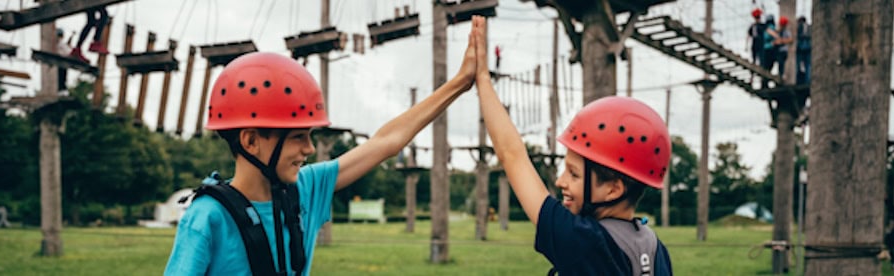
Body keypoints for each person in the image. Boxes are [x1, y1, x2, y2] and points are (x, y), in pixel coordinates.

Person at [163, 19, 481, 276]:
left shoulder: (304, 190)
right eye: (297, 137)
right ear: (251, 141)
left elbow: (386, 142)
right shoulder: (207, 218)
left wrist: (460, 82)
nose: (310, 149)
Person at [472, 16, 673, 275]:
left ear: (613, 189)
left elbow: (512, 155)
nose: (560, 182)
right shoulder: (653, 247)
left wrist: (482, 79)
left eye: (574, 174)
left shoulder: (585, 242)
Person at [795, 16, 811, 85]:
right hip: (808, 48)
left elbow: (798, 36)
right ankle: (807, 80)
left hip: (801, 48)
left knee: (799, 65)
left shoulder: (800, 26)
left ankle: (799, 81)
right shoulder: (809, 27)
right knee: (808, 65)